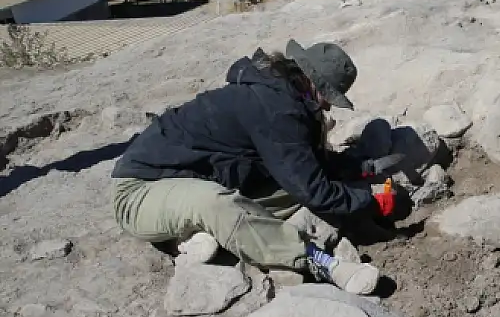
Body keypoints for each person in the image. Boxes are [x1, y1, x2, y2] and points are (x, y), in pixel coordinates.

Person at [111, 39, 398, 295]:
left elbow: (304, 166)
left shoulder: (282, 93)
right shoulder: (275, 109)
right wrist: (369, 204)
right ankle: (319, 261)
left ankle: (193, 238)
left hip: (192, 180)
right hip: (141, 191)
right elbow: (315, 191)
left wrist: (359, 169)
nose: (328, 109)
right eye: (329, 98)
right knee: (216, 204)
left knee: (285, 191)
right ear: (314, 84)